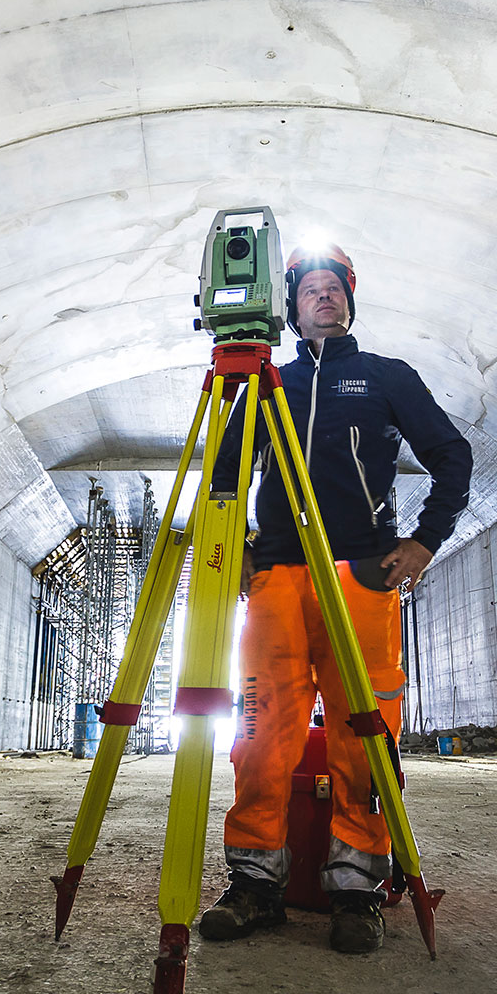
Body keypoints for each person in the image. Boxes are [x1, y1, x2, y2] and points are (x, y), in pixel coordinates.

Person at [200, 243, 472, 953]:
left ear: (350, 301)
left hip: (362, 577)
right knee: (259, 738)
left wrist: (424, 540)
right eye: (310, 289)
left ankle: (357, 891)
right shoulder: (268, 385)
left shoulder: (386, 378)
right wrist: (240, 552)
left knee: (363, 743)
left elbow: (452, 455)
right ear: (289, 305)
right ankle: (256, 883)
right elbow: (225, 470)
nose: (324, 297)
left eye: (335, 288)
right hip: (279, 581)